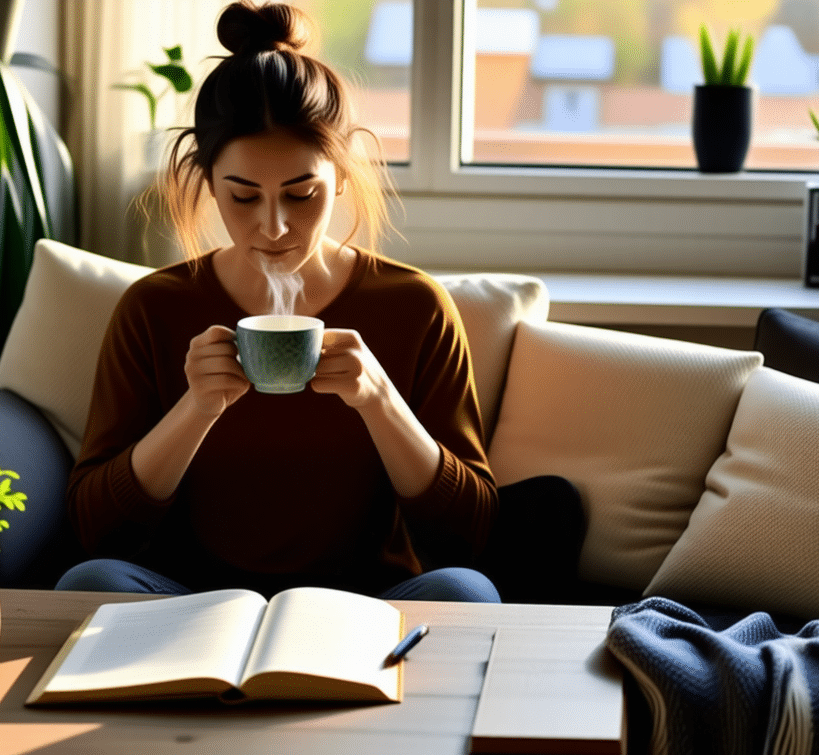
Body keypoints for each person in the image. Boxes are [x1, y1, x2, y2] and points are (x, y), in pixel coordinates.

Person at [55, 0, 499, 602]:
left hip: (365, 606)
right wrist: (196, 409)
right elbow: (94, 533)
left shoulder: (415, 307)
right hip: (190, 602)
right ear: (207, 181)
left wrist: (380, 402)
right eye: (243, 197)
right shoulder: (152, 308)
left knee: (465, 592)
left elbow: (469, 537)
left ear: (342, 174)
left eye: (301, 194)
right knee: (89, 584)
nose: (274, 227)